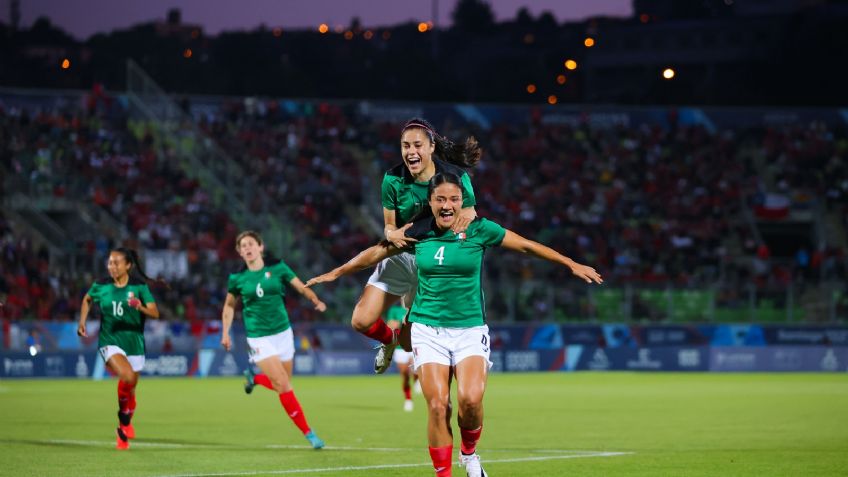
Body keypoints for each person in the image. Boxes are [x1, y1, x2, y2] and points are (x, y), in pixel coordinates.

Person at [306, 173, 603, 477]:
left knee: (471, 401)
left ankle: (469, 454)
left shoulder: (479, 229)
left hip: (470, 329)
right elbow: (376, 253)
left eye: (453, 199)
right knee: (437, 406)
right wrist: (337, 272)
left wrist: (571, 263)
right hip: (427, 329)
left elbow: (526, 246)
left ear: (464, 201)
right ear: (431, 202)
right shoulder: (418, 231)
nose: (447, 205)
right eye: (440, 199)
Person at [358, 117, 481, 374]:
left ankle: (401, 338)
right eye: (405, 146)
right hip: (402, 256)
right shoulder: (392, 179)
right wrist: (391, 234)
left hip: (434, 262)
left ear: (431, 147)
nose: (411, 152)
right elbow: (389, 226)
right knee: (362, 320)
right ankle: (387, 340)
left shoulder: (456, 177)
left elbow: (470, 218)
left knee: (408, 343)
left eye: (417, 145)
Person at [220, 230, 327, 449]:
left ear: (260, 247)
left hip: (283, 333)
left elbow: (298, 285)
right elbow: (229, 305)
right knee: (283, 384)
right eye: (243, 246)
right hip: (259, 337)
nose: (247, 248)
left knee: (284, 383)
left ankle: (254, 378)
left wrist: (315, 299)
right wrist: (225, 332)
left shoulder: (278, 267)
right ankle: (309, 432)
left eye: (251, 244)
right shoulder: (237, 278)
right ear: (240, 253)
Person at [77, 247, 163, 450]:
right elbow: (87, 299)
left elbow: (155, 313)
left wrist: (139, 307)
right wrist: (82, 322)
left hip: (134, 342)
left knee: (131, 388)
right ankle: (123, 420)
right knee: (127, 377)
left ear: (128, 266)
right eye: (109, 263)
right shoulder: (101, 285)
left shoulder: (139, 287)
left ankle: (124, 423)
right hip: (109, 340)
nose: (112, 266)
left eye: (116, 263)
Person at [385, 303, 419, 411]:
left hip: (415, 344)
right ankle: (408, 399)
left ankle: (417, 380)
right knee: (404, 374)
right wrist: (405, 322)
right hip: (400, 347)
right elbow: (390, 325)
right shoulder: (394, 310)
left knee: (415, 369)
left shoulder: (417, 307)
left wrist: (400, 324)